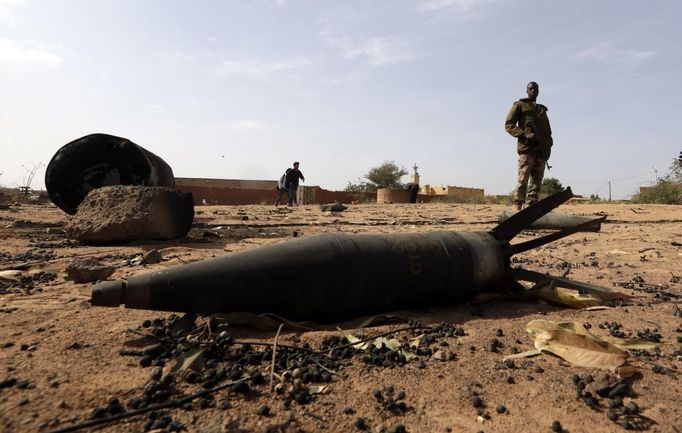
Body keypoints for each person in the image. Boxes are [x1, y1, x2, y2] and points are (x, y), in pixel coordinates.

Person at [505, 81, 553, 210]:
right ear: (527, 91)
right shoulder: (520, 105)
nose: (533, 91)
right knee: (523, 179)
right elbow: (509, 125)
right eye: (531, 89)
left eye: (535, 89)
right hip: (527, 148)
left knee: (537, 182)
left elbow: (548, 130)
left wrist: (548, 144)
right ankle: (518, 207)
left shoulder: (542, 110)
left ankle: (531, 209)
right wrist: (524, 134)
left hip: (540, 150)